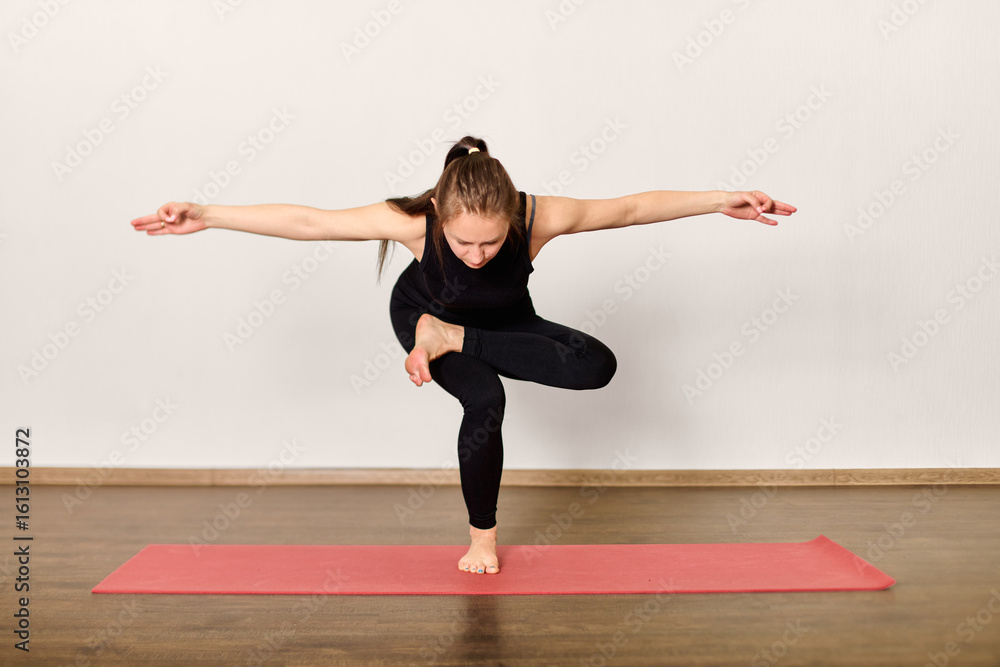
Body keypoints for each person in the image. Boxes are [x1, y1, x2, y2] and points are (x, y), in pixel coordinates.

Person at [131, 135, 796, 575]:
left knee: (597, 365)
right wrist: (207, 213)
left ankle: (454, 339)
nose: (477, 255)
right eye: (463, 244)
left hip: (501, 323)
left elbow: (627, 209)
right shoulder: (413, 220)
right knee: (485, 397)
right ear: (441, 218)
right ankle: (482, 537)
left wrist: (722, 200)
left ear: (511, 220)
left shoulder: (537, 215)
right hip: (423, 317)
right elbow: (312, 222)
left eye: (490, 243)